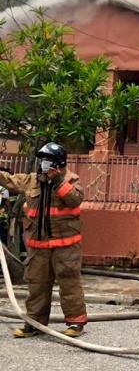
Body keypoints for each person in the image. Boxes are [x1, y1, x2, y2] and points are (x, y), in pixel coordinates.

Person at [0, 142, 86, 338]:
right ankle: (34, 323)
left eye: (48, 161)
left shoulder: (72, 181)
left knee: (69, 284)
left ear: (59, 163)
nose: (44, 165)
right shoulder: (32, 181)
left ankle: (76, 323)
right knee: (36, 285)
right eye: (42, 161)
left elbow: (75, 199)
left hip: (66, 247)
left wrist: (58, 182)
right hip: (38, 247)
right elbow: (10, 181)